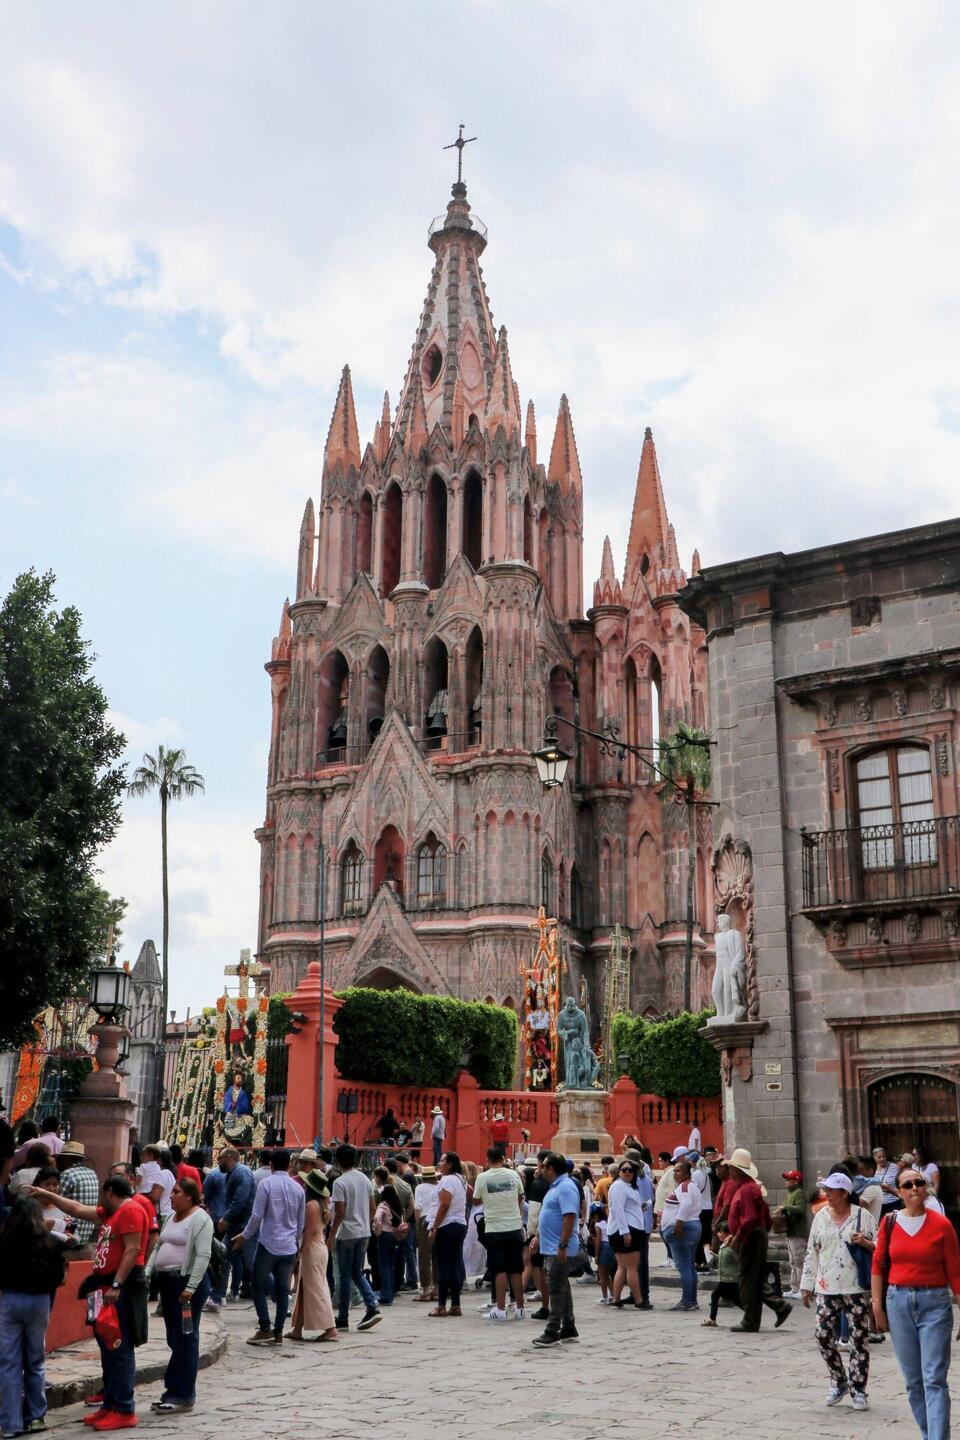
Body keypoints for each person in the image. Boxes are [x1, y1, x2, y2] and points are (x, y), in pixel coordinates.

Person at [35, 1175, 149, 1431]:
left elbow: (132, 1250)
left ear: (109, 1191)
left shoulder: (130, 1210)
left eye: (101, 1195)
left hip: (118, 1288)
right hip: (102, 1287)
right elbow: (75, 1209)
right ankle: (109, 1404)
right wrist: (49, 1195)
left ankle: (123, 1408)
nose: (99, 1201)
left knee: (119, 1349)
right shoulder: (111, 1213)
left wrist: (117, 1284)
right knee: (107, 1348)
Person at [872, 1165, 960, 1440]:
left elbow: (955, 1271)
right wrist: (877, 1306)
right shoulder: (889, 1222)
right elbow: (877, 1265)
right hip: (897, 1301)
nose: (914, 1189)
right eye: (907, 1185)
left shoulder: (942, 1225)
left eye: (918, 1183)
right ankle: (928, 1433)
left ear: (925, 1187)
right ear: (898, 1192)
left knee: (934, 1378)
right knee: (913, 1381)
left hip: (934, 1301)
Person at [800, 1170, 876, 1410]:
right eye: (826, 1190)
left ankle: (859, 1388)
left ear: (844, 1193)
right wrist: (806, 1285)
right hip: (827, 1286)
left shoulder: (862, 1216)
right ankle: (838, 1379)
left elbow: (881, 1247)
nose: (827, 1194)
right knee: (822, 1334)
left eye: (831, 1190)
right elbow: (812, 1251)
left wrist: (865, 1242)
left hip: (856, 1287)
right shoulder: (821, 1217)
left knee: (859, 1339)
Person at [144, 1178, 214, 1414]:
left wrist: (191, 1287)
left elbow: (203, 1255)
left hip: (186, 1285)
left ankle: (182, 1394)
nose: (171, 1196)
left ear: (190, 1196)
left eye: (176, 1192)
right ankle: (172, 1389)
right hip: (168, 1283)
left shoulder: (201, 1219)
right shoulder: (170, 1218)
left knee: (186, 1338)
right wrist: (147, 1272)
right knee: (174, 1338)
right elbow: (158, 1246)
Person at [0, 1196, 66, 1439]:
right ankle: (36, 1416)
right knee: (35, 1360)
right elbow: (59, 1277)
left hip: (9, 1300)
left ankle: (9, 1423)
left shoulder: (4, 1240)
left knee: (8, 1363)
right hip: (39, 1301)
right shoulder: (50, 1243)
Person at [237, 1149, 305, 1346]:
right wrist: (297, 1243)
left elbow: (257, 1216)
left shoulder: (266, 1184)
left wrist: (245, 1235)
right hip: (289, 1245)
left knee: (258, 1284)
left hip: (268, 1243)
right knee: (283, 1289)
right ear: (290, 1165)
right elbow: (300, 1222)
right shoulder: (298, 1189)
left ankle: (265, 1326)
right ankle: (278, 1331)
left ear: (271, 1165)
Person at [725, 1147, 791, 1333]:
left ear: (737, 1170)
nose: (729, 1172)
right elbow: (764, 1218)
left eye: (731, 1168)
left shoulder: (746, 1190)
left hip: (750, 1236)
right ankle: (774, 1309)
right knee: (754, 1278)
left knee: (747, 1280)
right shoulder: (752, 1188)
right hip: (755, 1235)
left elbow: (749, 1218)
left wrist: (738, 1236)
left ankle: (751, 1320)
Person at [527, 1152, 580, 1347]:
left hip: (559, 1247)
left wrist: (563, 1245)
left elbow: (569, 1217)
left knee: (556, 1289)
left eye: (543, 1167)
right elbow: (549, 1215)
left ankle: (552, 1330)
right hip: (551, 1246)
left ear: (551, 1169)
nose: (540, 1170)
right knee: (562, 1286)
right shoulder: (555, 1187)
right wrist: (538, 1237)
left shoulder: (565, 1187)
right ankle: (569, 1327)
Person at [329, 1144, 381, 1332]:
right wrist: (365, 1223)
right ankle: (371, 1305)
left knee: (344, 1275)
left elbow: (340, 1213)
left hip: (347, 1232)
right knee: (356, 1272)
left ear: (337, 1161)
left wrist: (331, 1235)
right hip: (363, 1231)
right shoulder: (365, 1179)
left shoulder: (339, 1182)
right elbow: (373, 1207)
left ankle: (343, 1316)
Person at [473, 1146, 525, 1321]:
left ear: (488, 1160)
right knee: (516, 1269)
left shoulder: (482, 1177)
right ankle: (520, 1308)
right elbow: (520, 1196)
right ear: (503, 1159)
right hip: (514, 1226)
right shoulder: (514, 1175)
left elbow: (476, 1199)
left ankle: (501, 1309)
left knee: (500, 1269)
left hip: (495, 1227)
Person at [287, 1170, 337, 1342]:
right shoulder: (324, 1203)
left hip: (312, 1248)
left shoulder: (311, 1206)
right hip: (319, 1246)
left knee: (316, 1288)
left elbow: (307, 1233)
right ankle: (298, 1328)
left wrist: (300, 1253)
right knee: (306, 1287)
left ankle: (330, 1328)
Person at [606, 1158, 654, 1309]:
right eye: (624, 1170)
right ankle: (639, 1300)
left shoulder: (627, 1187)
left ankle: (616, 1298)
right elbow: (618, 1210)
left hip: (624, 1228)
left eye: (630, 1170)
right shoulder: (619, 1187)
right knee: (632, 1267)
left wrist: (641, 1207)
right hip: (627, 1229)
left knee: (622, 1266)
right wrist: (626, 1232)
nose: (627, 1172)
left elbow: (626, 1208)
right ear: (619, 1172)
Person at [428, 1151, 468, 1318]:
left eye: (443, 1160)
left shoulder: (447, 1180)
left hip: (446, 1225)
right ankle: (456, 1304)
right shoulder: (461, 1179)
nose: (440, 1163)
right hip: (459, 1223)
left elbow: (444, 1205)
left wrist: (435, 1227)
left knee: (444, 1266)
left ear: (450, 1163)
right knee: (455, 1263)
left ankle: (441, 1305)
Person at [661, 1158, 702, 1311]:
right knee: (689, 1266)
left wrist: (678, 1225)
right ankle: (692, 1299)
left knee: (684, 1266)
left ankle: (687, 1300)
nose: (675, 1174)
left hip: (683, 1229)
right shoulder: (692, 1186)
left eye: (678, 1171)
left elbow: (686, 1204)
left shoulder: (685, 1186)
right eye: (674, 1171)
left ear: (686, 1173)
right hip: (693, 1226)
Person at [217, 1146, 256, 1302]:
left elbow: (240, 1198)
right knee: (223, 1256)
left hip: (243, 1227)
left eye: (220, 1158)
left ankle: (279, 1295)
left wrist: (226, 1217)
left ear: (229, 1157)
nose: (219, 1161)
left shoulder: (242, 1173)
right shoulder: (236, 1173)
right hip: (237, 1226)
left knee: (253, 1265)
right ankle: (218, 1295)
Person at [57, 1141, 100, 1244]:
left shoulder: (67, 1174)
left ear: (68, 1159)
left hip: (72, 1233)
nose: (60, 1161)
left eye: (62, 1158)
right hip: (88, 1232)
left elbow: (56, 1201)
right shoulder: (92, 1173)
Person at [385, 1156, 418, 1290]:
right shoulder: (405, 1184)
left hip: (389, 1223)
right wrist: (403, 1217)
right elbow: (411, 1205)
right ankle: (411, 1279)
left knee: (395, 1253)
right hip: (406, 1221)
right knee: (408, 1251)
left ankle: (400, 1280)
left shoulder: (385, 1184)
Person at [701, 1225, 743, 1326]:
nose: (718, 1234)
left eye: (720, 1232)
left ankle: (712, 1319)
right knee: (737, 1300)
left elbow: (738, 1258)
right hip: (725, 1279)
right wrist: (710, 1254)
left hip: (731, 1279)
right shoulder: (724, 1246)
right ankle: (752, 1313)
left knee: (715, 1295)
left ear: (727, 1233)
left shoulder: (732, 1245)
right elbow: (721, 1259)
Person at [779, 1170, 809, 1298]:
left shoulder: (799, 1193)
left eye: (789, 1179)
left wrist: (786, 1208)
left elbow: (801, 1209)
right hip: (791, 1232)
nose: (787, 1182)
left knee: (799, 1261)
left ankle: (802, 1289)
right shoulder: (789, 1195)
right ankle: (794, 1287)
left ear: (796, 1181)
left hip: (797, 1232)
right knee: (793, 1261)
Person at [413, 1164, 439, 1302]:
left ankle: (425, 1289)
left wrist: (418, 1227)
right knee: (437, 1256)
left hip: (424, 1220)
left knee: (424, 1256)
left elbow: (418, 1208)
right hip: (438, 1220)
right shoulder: (439, 1186)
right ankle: (437, 1288)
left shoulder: (420, 1188)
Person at [873, 1147, 901, 1214]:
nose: (882, 1159)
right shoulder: (873, 1169)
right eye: (879, 1157)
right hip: (879, 1204)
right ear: (875, 1158)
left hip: (894, 1202)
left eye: (883, 1156)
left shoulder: (895, 1167)